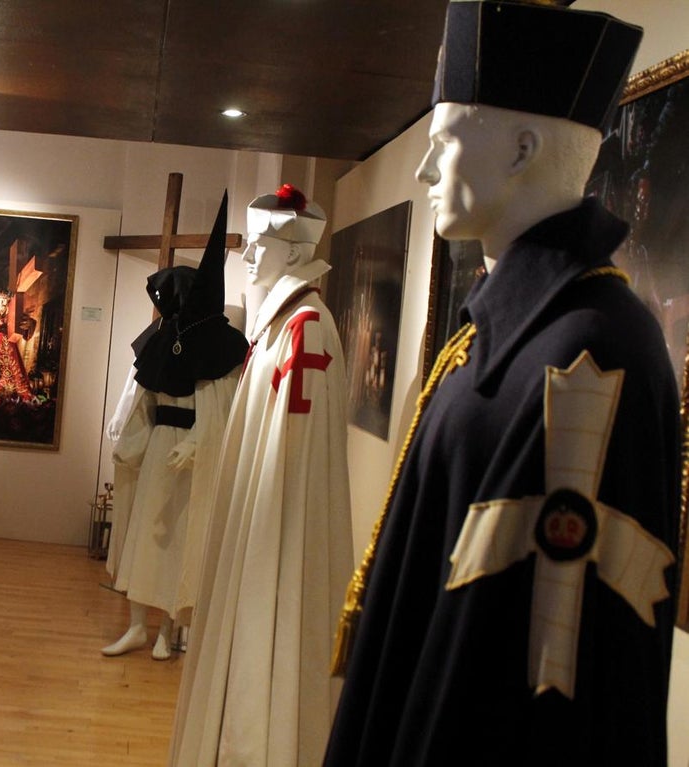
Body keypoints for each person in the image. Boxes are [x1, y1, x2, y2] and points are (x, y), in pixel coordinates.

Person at [325, 3, 679, 766]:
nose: (424, 169)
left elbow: (552, 673)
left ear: (523, 148)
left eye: (444, 141)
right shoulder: (498, 332)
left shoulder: (591, 355)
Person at [169, 184, 353, 766]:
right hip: (254, 529)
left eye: (258, 245)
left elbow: (292, 467)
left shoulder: (306, 330)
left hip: (275, 541)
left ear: (296, 253)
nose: (246, 257)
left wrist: (261, 549)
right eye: (246, 244)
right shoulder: (277, 328)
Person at [103, 191, 248, 661]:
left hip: (189, 455)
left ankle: (168, 631)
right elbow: (146, 400)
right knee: (148, 537)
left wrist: (198, 444)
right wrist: (132, 444)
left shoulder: (217, 347)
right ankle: (138, 627)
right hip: (160, 450)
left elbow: (215, 406)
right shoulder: (164, 341)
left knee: (181, 543)